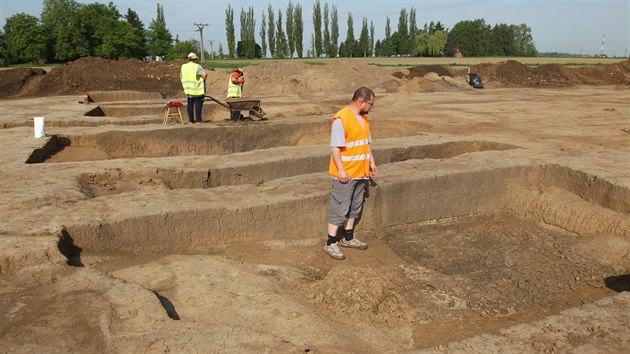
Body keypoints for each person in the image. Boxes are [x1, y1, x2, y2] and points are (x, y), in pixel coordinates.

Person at [324, 87, 378, 260]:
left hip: (360, 172)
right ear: (361, 101)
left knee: (355, 206)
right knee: (340, 207)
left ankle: (348, 237)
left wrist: (371, 161)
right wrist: (341, 169)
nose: (371, 107)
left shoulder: (364, 119)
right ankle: (331, 242)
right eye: (371, 104)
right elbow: (335, 148)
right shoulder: (342, 118)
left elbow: (365, 144)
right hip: (346, 173)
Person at [180, 52, 208, 124]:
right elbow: (204, 75)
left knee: (190, 105)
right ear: (195, 59)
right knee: (198, 105)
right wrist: (203, 79)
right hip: (197, 90)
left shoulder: (183, 66)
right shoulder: (197, 66)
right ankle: (198, 120)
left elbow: (181, 76)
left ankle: (191, 120)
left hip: (188, 90)